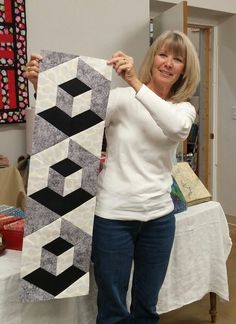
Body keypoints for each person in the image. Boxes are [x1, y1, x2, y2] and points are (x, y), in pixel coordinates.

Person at [25, 30, 200, 324]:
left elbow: (175, 128)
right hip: (113, 219)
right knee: (112, 310)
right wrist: (41, 84)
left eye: (177, 59)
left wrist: (134, 81)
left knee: (147, 308)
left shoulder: (183, 109)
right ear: (153, 58)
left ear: (185, 69)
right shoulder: (119, 99)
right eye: (163, 54)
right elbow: (69, 115)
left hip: (159, 220)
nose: (168, 63)